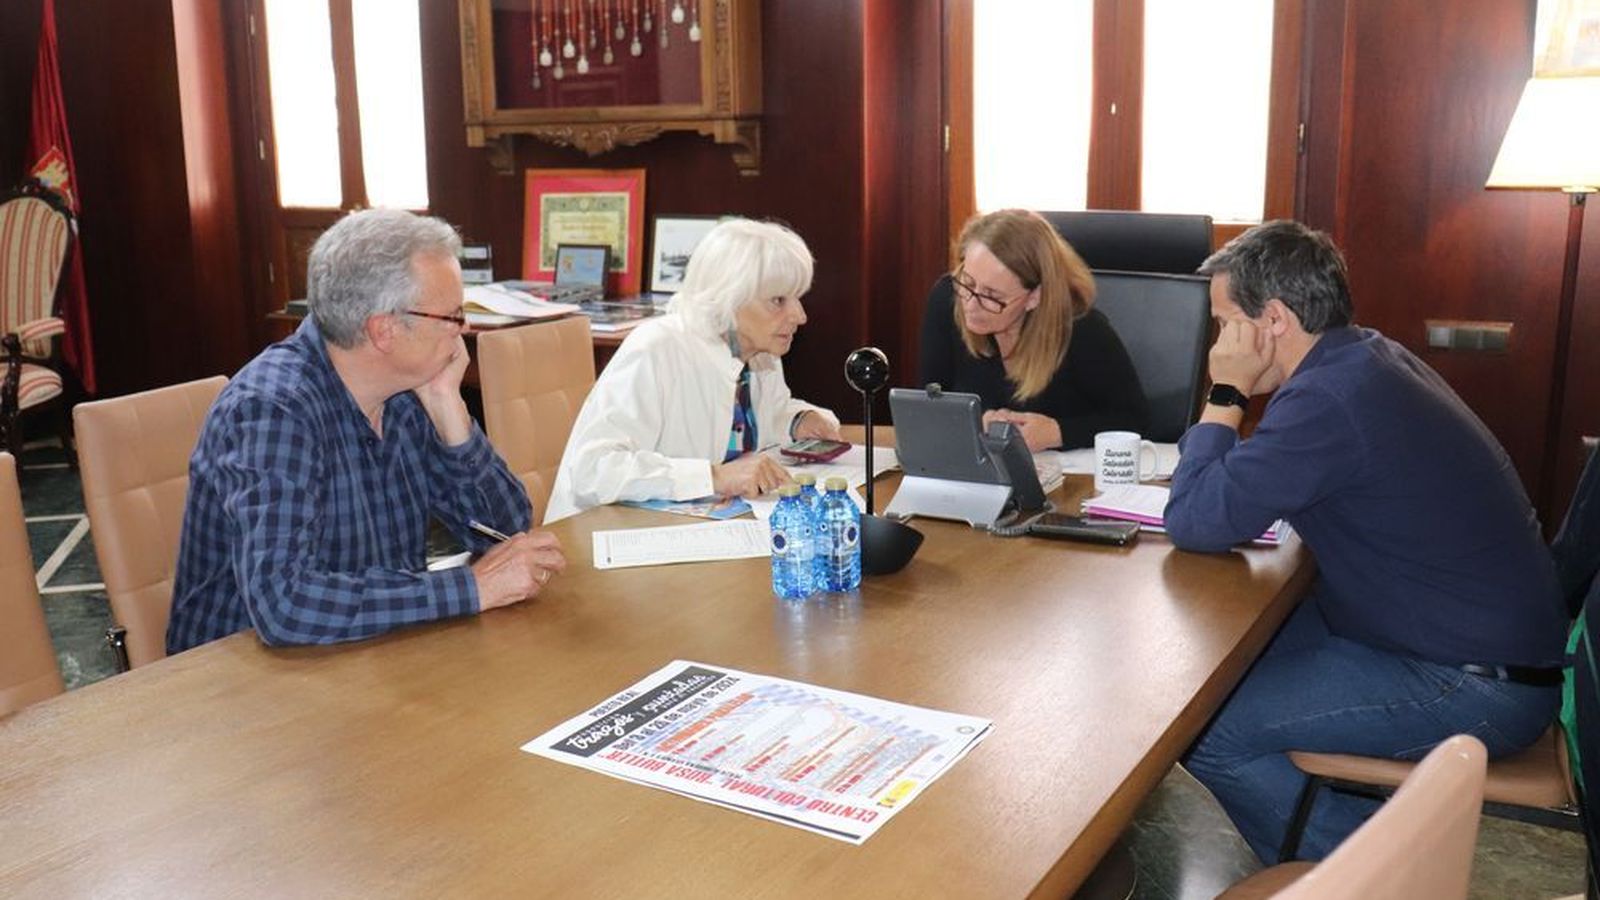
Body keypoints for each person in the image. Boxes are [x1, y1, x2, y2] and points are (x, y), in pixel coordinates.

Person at [1165, 220, 1567, 863]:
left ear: (1271, 320)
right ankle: (1375, 838)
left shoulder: (1330, 399)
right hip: (1450, 641)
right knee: (1208, 674)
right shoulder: (1363, 358)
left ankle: (1380, 874)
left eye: (1226, 323)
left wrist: (1226, 394)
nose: (1218, 343)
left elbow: (1195, 520)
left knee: (1207, 728)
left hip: (1474, 685)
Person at [167, 209, 565, 652]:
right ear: (384, 330)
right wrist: (470, 588)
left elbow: (505, 531)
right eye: (452, 316)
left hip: (369, 653)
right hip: (240, 687)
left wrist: (450, 410)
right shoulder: (272, 410)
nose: (464, 329)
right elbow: (285, 605)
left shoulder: (407, 390)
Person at [543, 218, 841, 523]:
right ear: (728, 297)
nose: (800, 316)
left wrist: (796, 420)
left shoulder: (761, 352)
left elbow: (745, 420)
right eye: (778, 301)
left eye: (797, 298)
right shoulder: (655, 349)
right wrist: (713, 477)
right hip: (595, 542)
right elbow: (592, 470)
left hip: (688, 529)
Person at [918, 209, 1148, 451]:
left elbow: (1133, 420)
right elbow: (926, 405)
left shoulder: (1082, 331)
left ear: (1034, 297)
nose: (970, 304)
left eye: (991, 296)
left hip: (1073, 480)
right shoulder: (947, 299)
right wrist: (971, 422)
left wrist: (1057, 432)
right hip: (977, 474)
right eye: (968, 282)